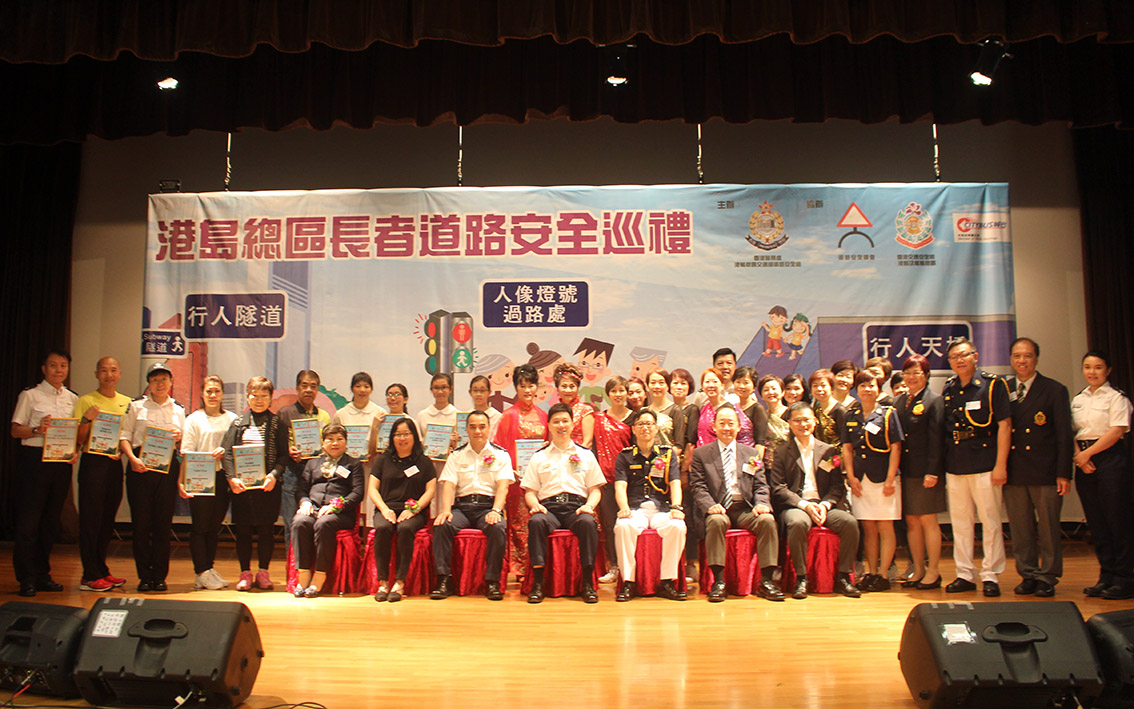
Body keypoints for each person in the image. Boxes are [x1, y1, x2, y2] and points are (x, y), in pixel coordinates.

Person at [690, 404, 783, 602]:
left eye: (731, 423)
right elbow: (698, 487)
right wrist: (710, 506)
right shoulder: (701, 454)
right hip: (719, 508)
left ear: (739, 427)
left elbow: (761, 485)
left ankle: (767, 581)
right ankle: (719, 581)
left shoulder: (751, 454)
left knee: (767, 520)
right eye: (721, 423)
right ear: (713, 427)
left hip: (745, 508)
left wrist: (762, 503)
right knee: (715, 522)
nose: (726, 428)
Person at [941, 338, 1011, 598]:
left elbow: (1004, 426)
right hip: (956, 463)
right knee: (960, 522)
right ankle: (964, 573)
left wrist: (1000, 465)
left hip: (985, 462)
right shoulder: (950, 388)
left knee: (990, 521)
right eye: (954, 358)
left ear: (975, 356)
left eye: (964, 355)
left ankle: (990, 574)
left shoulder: (993, 385)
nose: (960, 360)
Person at [1004, 338, 1073, 597]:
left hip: (1045, 471)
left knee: (1048, 527)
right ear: (1011, 359)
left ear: (1036, 359)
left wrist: (1064, 473)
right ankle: (1028, 573)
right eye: (1017, 356)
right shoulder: (1004, 388)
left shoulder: (1054, 390)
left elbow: (1064, 435)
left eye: (1028, 356)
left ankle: (1048, 576)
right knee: (1020, 528)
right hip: (1014, 471)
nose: (1022, 361)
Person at [770, 401, 861, 599]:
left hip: (823, 504)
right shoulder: (782, 452)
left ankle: (844, 577)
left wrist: (825, 505)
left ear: (815, 421)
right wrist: (804, 505)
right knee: (797, 523)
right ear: (790, 424)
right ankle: (801, 577)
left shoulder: (828, 451)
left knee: (850, 523)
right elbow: (778, 488)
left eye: (806, 420)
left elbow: (837, 486)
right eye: (797, 421)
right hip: (797, 505)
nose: (803, 425)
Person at [10, 348, 79, 597]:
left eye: (63, 366)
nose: (58, 370)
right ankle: (26, 578)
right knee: (29, 523)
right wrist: (37, 430)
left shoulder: (72, 399)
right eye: (53, 365)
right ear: (44, 368)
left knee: (51, 523)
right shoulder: (30, 396)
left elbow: (76, 435)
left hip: (60, 465)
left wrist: (76, 451)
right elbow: (16, 431)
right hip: (34, 463)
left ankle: (42, 574)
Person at [523, 403, 606, 604]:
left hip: (576, 508)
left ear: (572, 424)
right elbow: (530, 491)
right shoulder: (538, 456)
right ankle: (538, 583)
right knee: (536, 522)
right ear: (549, 426)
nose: (561, 425)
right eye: (556, 422)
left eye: (565, 421)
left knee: (588, 523)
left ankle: (587, 583)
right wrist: (535, 505)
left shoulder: (585, 455)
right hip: (548, 508)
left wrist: (589, 506)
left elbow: (595, 489)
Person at [431, 410, 513, 601]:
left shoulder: (500, 455)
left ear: (488, 428)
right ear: (466, 429)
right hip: (463, 507)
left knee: (498, 526)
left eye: (482, 427)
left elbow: (503, 486)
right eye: (473, 427)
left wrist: (496, 510)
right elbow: (449, 485)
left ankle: (492, 582)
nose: (478, 431)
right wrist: (445, 511)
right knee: (442, 525)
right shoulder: (456, 455)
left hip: (487, 507)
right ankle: (444, 580)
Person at [1072, 350, 1134, 599]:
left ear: (1107, 370)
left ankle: (1125, 578)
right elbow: (1071, 431)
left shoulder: (1116, 397)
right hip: (1084, 461)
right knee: (1097, 523)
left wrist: (1088, 455)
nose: (1092, 372)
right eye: (1087, 367)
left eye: (1098, 367)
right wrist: (1079, 456)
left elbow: (1116, 431)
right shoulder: (1078, 399)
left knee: (1116, 521)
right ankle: (1106, 575)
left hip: (1110, 459)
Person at [119, 361, 186, 593]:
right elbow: (124, 436)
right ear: (148, 383)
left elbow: (184, 443)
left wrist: (178, 437)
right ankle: (144, 576)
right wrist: (132, 459)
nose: (160, 384)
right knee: (140, 524)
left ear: (171, 382)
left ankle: (159, 576)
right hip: (139, 466)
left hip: (166, 470)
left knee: (162, 525)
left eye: (164, 379)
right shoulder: (136, 406)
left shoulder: (178, 409)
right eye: (155, 380)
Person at [613, 408, 687, 601]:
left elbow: (675, 483)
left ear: (656, 428)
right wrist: (623, 508)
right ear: (634, 429)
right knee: (623, 526)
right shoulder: (625, 456)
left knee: (678, 526)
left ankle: (667, 581)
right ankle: (628, 582)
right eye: (640, 424)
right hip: (635, 508)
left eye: (649, 424)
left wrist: (677, 507)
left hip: (661, 509)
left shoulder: (667, 454)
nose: (645, 428)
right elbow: (620, 486)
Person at [72, 356, 131, 592]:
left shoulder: (128, 402)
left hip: (114, 464)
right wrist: (87, 419)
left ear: (120, 373)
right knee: (90, 520)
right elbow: (77, 440)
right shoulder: (85, 401)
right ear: (96, 374)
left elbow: (130, 435)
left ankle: (101, 570)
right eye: (104, 370)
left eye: (113, 370)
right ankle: (89, 575)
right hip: (92, 464)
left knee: (107, 520)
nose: (109, 375)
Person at [842, 370, 903, 592]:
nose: (867, 390)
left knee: (885, 526)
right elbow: (847, 449)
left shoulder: (888, 414)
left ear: (879, 389)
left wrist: (890, 478)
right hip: (861, 480)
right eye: (862, 386)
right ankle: (872, 571)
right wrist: (850, 476)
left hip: (884, 479)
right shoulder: (851, 415)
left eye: (871, 385)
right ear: (856, 390)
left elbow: (896, 447)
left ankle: (884, 574)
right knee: (868, 527)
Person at [222, 376, 285, 592]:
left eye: (264, 396)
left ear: (271, 397)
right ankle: (245, 573)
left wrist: (274, 475)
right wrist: (232, 478)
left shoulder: (277, 423)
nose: (259, 400)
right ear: (248, 396)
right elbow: (227, 454)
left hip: (267, 487)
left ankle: (264, 572)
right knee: (243, 531)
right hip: (242, 489)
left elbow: (283, 456)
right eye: (254, 395)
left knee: (266, 531)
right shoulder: (238, 423)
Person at [291, 424, 365, 598]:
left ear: (346, 443)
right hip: (313, 508)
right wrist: (305, 502)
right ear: (323, 443)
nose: (335, 443)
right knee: (299, 521)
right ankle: (303, 574)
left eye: (340, 439)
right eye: (330, 439)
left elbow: (357, 493)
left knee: (324, 523)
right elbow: (301, 489)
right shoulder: (312, 463)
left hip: (340, 514)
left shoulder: (353, 464)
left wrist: (335, 507)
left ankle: (320, 575)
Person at [180, 375, 238, 590]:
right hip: (199, 476)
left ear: (222, 394)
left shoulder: (232, 418)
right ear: (202, 394)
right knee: (200, 526)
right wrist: (181, 481)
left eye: (217, 391)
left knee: (214, 527)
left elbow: (237, 450)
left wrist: (226, 452)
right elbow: (185, 452)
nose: (213, 395)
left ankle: (208, 569)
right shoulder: (194, 419)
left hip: (223, 476)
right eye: (209, 391)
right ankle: (201, 571)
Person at [893, 354, 946, 590]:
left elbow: (938, 440)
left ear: (926, 375)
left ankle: (933, 571)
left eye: (916, 373)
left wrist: (933, 471)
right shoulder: (900, 402)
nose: (911, 377)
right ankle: (919, 569)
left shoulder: (935, 401)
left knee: (928, 521)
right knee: (912, 522)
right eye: (907, 372)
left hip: (926, 472)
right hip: (905, 472)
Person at [370, 418, 436, 602]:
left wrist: (414, 509)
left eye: (406, 434)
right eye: (398, 434)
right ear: (392, 437)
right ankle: (383, 582)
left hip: (414, 511)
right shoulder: (383, 460)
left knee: (405, 529)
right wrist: (384, 509)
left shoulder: (424, 462)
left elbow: (430, 490)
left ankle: (400, 581)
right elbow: (372, 488)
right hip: (387, 509)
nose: (402, 438)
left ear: (414, 436)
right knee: (383, 528)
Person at [492, 363, 548, 580]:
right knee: (518, 524)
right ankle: (520, 569)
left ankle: (538, 565)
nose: (527, 390)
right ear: (515, 388)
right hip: (516, 480)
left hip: (540, 481)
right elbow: (499, 448)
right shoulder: (508, 415)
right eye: (522, 385)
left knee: (537, 521)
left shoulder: (544, 415)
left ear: (536, 387)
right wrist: (511, 471)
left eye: (531, 385)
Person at [276, 370, 332, 554]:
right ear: (297, 388)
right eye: (304, 385)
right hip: (292, 474)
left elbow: (329, 446)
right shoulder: (285, 413)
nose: (309, 390)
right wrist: (288, 451)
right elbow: (277, 447)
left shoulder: (323, 416)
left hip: (317, 478)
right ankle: (292, 573)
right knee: (293, 525)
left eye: (313, 386)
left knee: (316, 524)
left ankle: (311, 570)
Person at [591, 375, 633, 583]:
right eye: (614, 391)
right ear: (608, 395)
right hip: (606, 480)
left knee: (630, 522)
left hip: (630, 480)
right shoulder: (599, 418)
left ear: (627, 392)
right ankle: (614, 566)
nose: (618, 394)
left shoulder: (635, 418)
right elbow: (593, 448)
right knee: (610, 524)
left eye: (621, 390)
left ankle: (632, 565)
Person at [333, 372, 385, 527]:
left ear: (371, 389)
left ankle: (368, 544)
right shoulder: (341, 414)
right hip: (346, 468)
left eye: (366, 386)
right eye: (358, 386)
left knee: (369, 507)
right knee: (349, 506)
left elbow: (384, 442)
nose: (362, 390)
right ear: (352, 388)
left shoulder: (380, 413)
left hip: (372, 466)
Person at [670, 367, 701, 581]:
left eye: (683, 383)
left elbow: (690, 442)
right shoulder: (663, 410)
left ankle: (690, 563)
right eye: (675, 383)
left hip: (683, 470)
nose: (679, 386)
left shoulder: (692, 410)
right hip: (661, 471)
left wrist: (684, 471)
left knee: (687, 515)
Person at [697, 368, 753, 446]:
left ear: (722, 385)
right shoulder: (704, 407)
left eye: (715, 382)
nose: (711, 385)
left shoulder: (728, 409)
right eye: (707, 382)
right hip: (702, 454)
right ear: (702, 386)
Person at [417, 372, 459, 463]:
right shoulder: (422, 415)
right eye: (436, 388)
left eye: (444, 387)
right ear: (431, 390)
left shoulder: (458, 415)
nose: (440, 392)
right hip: (427, 464)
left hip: (451, 463)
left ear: (451, 389)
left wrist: (455, 443)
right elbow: (417, 445)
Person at [554, 362, 595, 447]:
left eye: (572, 386)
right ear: (557, 388)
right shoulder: (554, 411)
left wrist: (575, 458)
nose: (568, 390)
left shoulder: (585, 410)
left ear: (577, 388)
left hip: (579, 457)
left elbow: (588, 442)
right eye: (564, 386)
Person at [732, 365, 768, 455]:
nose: (741, 386)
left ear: (753, 387)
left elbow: (760, 443)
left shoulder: (757, 409)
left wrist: (754, 466)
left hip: (749, 457)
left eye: (746, 382)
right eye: (738, 382)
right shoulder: (732, 407)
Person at [808, 369, 847, 448]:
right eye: (815, 386)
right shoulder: (815, 409)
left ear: (831, 388)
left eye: (823, 385)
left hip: (837, 457)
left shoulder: (840, 410)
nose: (819, 389)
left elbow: (846, 440)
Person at [646, 369, 682, 449]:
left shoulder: (675, 410)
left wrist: (665, 459)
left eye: (661, 383)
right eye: (653, 383)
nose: (657, 386)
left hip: (668, 458)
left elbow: (679, 445)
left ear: (667, 386)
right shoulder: (644, 412)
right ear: (648, 386)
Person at [758, 374, 791, 449]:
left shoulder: (791, 413)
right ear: (761, 396)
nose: (770, 392)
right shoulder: (762, 417)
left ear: (782, 392)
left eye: (774, 388)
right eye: (766, 390)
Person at [468, 375, 503, 439]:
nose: (478, 394)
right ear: (470, 392)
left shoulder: (497, 417)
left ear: (489, 392)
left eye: (482, 391)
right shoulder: (465, 415)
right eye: (475, 391)